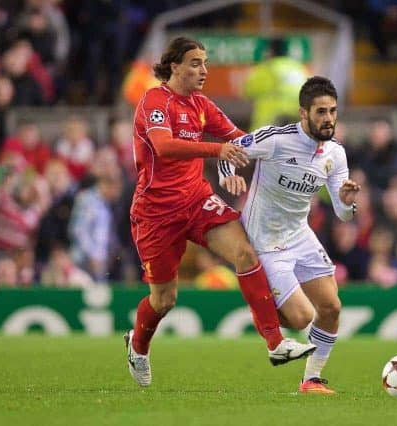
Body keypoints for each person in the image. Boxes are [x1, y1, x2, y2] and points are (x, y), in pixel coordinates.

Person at [125, 37, 315, 387]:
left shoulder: (202, 104)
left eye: (206, 62)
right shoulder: (155, 100)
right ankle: (138, 346)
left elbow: (242, 140)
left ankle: (275, 343)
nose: (204, 70)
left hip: (197, 200)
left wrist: (289, 157)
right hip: (156, 212)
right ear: (174, 66)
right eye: (195, 62)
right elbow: (165, 147)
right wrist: (220, 152)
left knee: (244, 251)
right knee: (164, 299)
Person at [218, 76, 361, 394]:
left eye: (332, 111)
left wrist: (349, 204)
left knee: (332, 308)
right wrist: (229, 177)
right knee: (300, 318)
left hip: (300, 234)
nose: (328, 119)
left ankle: (311, 380)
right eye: (321, 112)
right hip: (266, 242)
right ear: (303, 113)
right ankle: (262, 307)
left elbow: (341, 211)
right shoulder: (276, 140)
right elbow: (229, 152)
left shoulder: (335, 154)